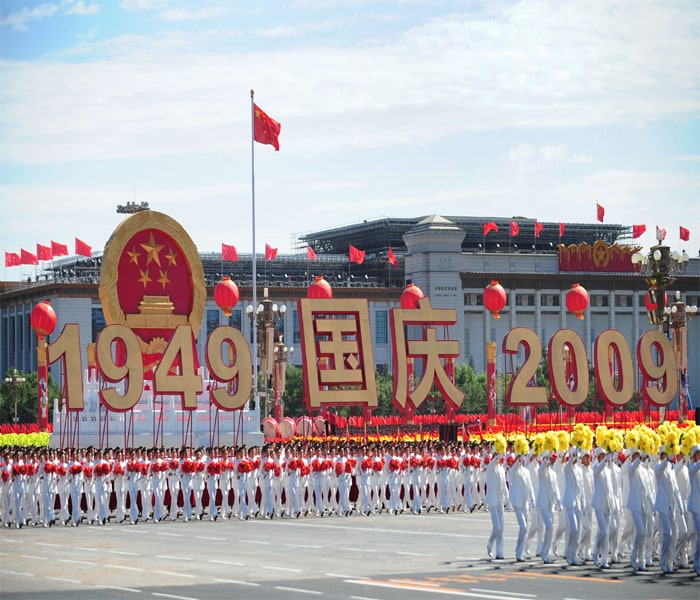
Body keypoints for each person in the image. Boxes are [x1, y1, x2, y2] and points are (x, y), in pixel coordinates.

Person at [536, 451, 561, 564]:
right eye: (546, 459)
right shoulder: (541, 471)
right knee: (549, 527)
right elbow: (540, 469)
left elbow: (555, 489)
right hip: (543, 503)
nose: (548, 461)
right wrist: (546, 458)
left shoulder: (553, 473)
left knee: (550, 528)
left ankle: (546, 552)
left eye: (549, 459)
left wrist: (559, 502)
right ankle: (545, 552)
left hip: (551, 504)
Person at [485, 446, 509, 559]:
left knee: (501, 528)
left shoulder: (501, 469)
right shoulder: (490, 467)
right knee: (497, 526)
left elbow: (504, 485)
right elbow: (490, 466)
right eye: (495, 455)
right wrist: (496, 458)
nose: (497, 458)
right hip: (493, 500)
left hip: (500, 499)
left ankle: (500, 552)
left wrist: (508, 499)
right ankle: (490, 544)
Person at [591, 447, 612, 568]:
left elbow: (610, 488)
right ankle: (595, 552)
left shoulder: (608, 471)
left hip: (607, 504)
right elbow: (598, 470)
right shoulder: (595, 467)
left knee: (606, 533)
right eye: (602, 455)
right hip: (598, 504)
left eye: (605, 455)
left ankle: (605, 560)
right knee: (603, 531)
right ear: (598, 457)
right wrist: (605, 462)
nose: (604, 457)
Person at [687, 443, 700, 577]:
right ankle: (697, 564)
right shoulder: (691, 467)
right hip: (696, 507)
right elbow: (696, 468)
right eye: (697, 453)